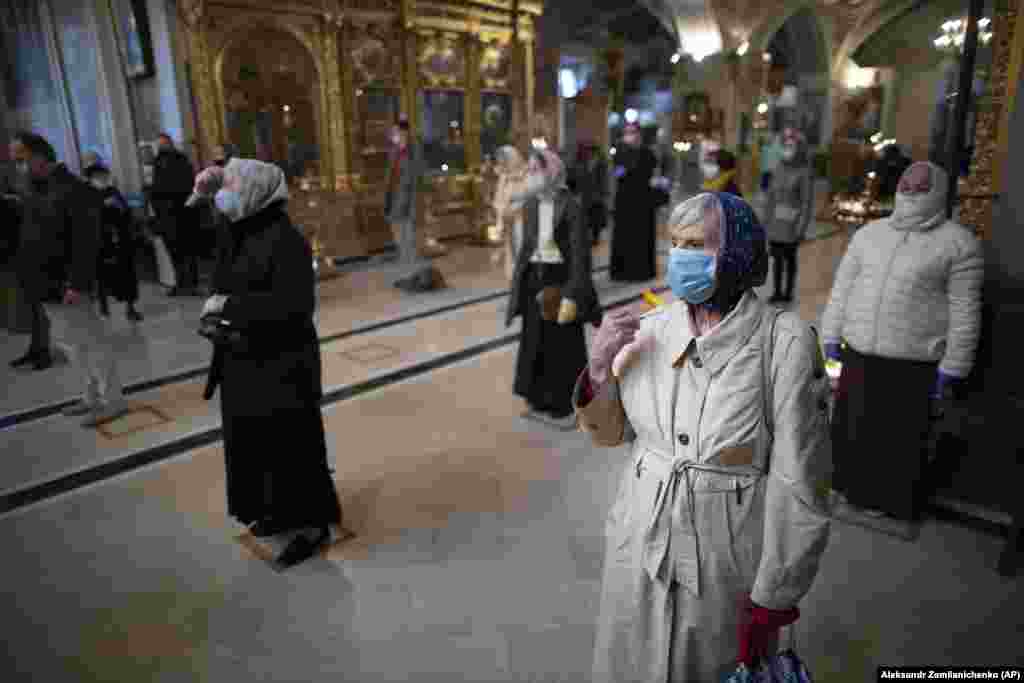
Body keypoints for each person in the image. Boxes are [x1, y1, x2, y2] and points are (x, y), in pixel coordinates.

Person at [575, 191, 833, 681]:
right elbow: (610, 435)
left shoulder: (784, 343)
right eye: (674, 243)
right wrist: (598, 368)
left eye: (694, 244)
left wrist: (775, 595)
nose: (678, 257)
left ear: (735, 253)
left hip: (724, 553)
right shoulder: (649, 329)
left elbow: (802, 481)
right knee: (629, 659)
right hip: (639, 534)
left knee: (705, 663)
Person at [187, 158, 343, 568]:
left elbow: (294, 308)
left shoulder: (286, 240)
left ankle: (312, 525)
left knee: (292, 446)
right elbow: (209, 250)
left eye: (236, 187)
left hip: (283, 366)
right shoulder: (241, 230)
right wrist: (204, 196)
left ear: (257, 193)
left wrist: (231, 306)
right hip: (244, 359)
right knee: (256, 443)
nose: (230, 195)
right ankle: (278, 511)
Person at [822, 161, 984, 521]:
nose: (910, 193)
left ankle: (886, 502)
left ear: (938, 191)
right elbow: (842, 290)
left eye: (920, 187)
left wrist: (955, 365)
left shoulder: (958, 245)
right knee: (850, 428)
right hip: (861, 352)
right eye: (906, 186)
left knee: (897, 440)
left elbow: (965, 311)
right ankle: (846, 488)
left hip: (912, 361)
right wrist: (831, 334)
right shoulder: (869, 235)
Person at [11, 131, 129, 425]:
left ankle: (112, 400)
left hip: (68, 284)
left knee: (92, 341)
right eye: (15, 162)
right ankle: (90, 396)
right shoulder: (35, 189)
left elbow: (86, 242)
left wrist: (77, 282)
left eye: (22, 160)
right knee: (71, 344)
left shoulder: (74, 189)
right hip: (45, 283)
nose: (19, 167)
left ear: (41, 156)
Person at [506, 149, 601, 429]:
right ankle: (538, 397)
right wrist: (518, 286)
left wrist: (573, 294)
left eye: (537, 169)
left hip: (561, 283)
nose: (531, 175)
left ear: (552, 172)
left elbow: (580, 256)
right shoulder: (531, 205)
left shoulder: (570, 206)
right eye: (530, 169)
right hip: (535, 281)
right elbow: (526, 248)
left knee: (562, 347)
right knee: (534, 342)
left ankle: (564, 402)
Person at [83, 161, 143, 322]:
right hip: (101, 242)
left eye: (103, 175)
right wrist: (102, 206)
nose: (102, 178)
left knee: (127, 276)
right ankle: (104, 308)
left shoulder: (113, 191)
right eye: (98, 176)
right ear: (90, 178)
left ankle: (130, 309)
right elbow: (86, 217)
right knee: (102, 277)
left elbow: (126, 211)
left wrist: (121, 208)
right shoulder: (86, 194)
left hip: (121, 240)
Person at [765, 128, 814, 304]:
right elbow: (770, 197)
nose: (787, 148)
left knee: (790, 259)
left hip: (792, 224)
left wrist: (801, 228)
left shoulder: (804, 172)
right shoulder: (778, 168)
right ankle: (777, 291)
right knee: (776, 259)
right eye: (785, 145)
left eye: (791, 145)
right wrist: (766, 222)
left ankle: (788, 292)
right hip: (776, 223)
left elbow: (806, 202)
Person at [151, 133, 199, 296]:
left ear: (170, 144)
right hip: (166, 217)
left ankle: (191, 284)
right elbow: (156, 190)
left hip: (182, 215)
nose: (162, 147)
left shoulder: (181, 161)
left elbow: (187, 185)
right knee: (174, 253)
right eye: (160, 144)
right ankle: (180, 283)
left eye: (164, 143)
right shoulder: (157, 163)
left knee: (187, 251)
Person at [610, 123, 659, 282]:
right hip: (624, 201)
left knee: (641, 238)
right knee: (623, 237)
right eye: (627, 132)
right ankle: (621, 272)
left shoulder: (648, 153)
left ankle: (641, 271)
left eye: (633, 132)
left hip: (643, 202)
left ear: (640, 135)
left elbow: (650, 173)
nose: (630, 136)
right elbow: (617, 173)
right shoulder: (620, 152)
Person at [384, 119, 424, 288]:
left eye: (396, 132)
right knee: (400, 243)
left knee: (409, 242)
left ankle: (413, 276)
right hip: (394, 203)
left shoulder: (414, 151)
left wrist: (415, 207)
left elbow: (416, 182)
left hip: (407, 204)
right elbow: (390, 179)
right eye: (392, 133)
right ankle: (406, 276)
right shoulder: (394, 152)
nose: (393, 135)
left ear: (404, 133)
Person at [492, 145, 529, 281]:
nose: (502, 164)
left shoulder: (526, 175)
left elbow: (529, 197)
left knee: (522, 249)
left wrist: (513, 209)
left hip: (523, 221)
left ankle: (526, 279)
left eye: (504, 161)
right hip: (508, 222)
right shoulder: (503, 178)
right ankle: (516, 279)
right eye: (500, 162)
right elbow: (498, 198)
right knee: (511, 252)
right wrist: (501, 211)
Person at [568, 140, 609, 245]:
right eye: (588, 150)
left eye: (591, 150)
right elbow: (574, 177)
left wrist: (604, 192)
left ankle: (595, 237)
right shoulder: (580, 162)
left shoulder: (601, 162)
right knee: (586, 218)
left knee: (596, 218)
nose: (589, 153)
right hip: (585, 195)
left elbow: (604, 179)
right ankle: (587, 237)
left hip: (596, 195)